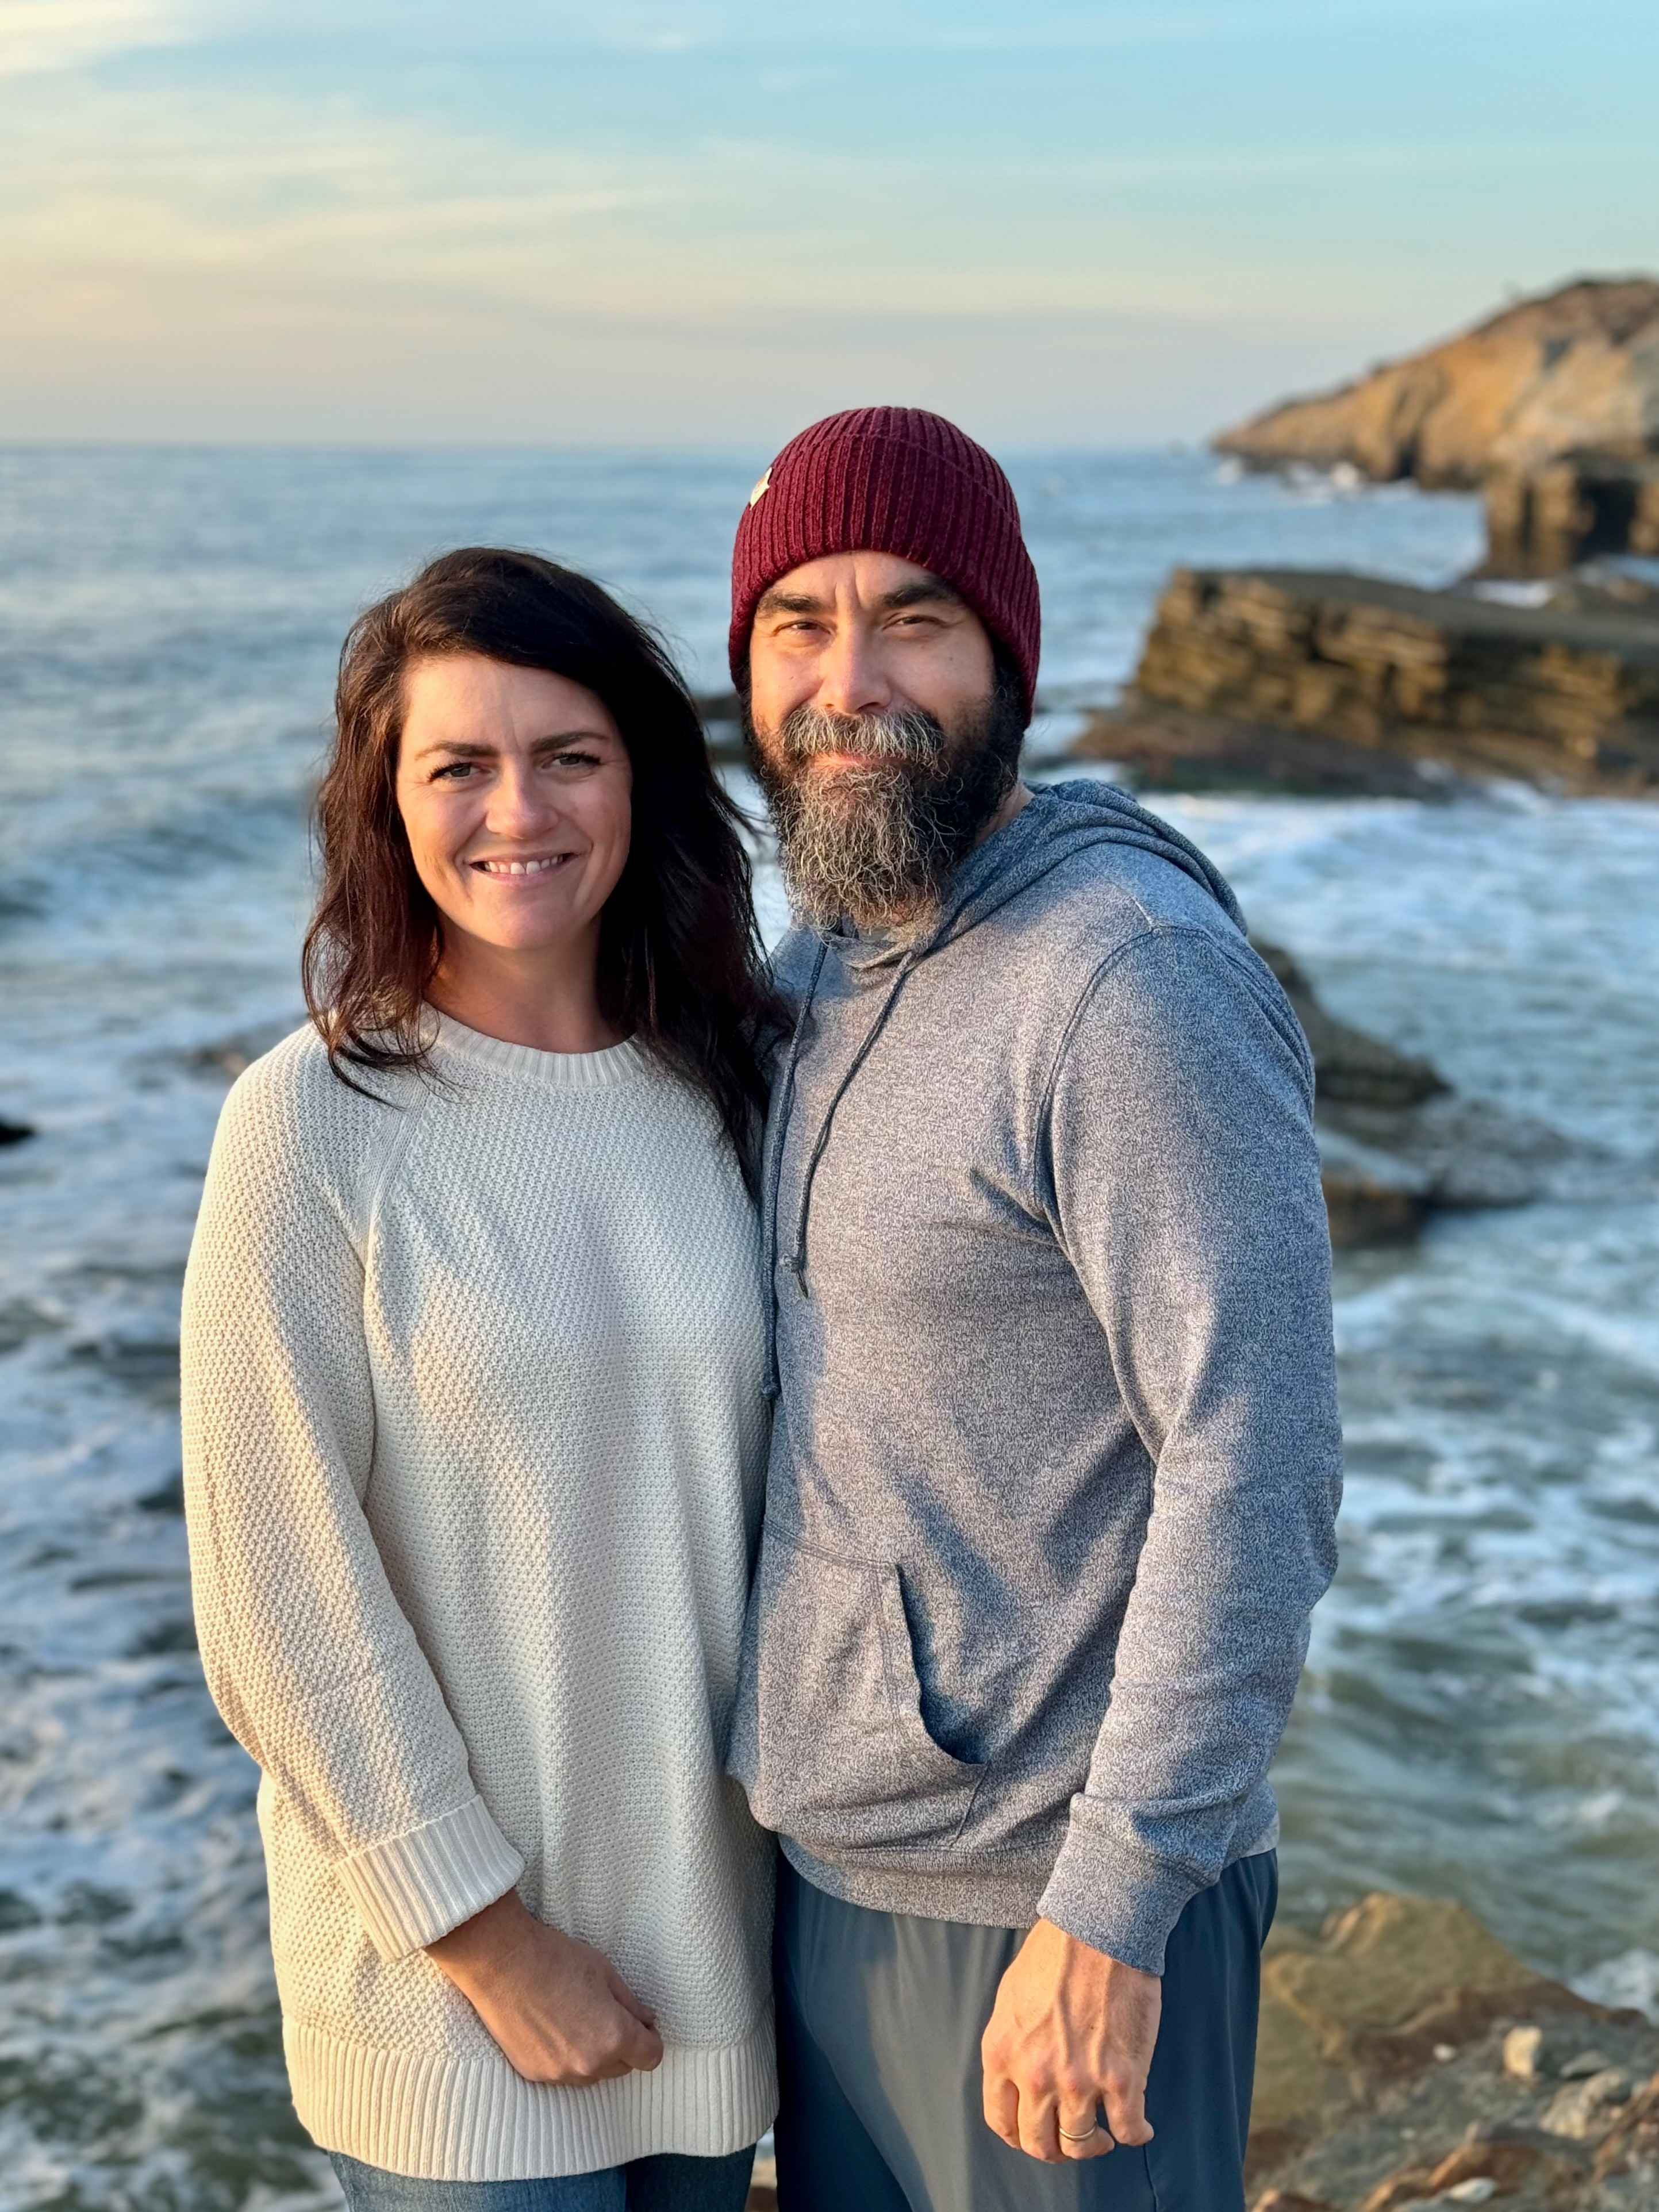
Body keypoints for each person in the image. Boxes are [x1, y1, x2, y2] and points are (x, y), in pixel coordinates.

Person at [724, 408, 1344, 2210]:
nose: (853, 683)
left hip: (1042, 1909)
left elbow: (1261, 1458)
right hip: (849, 1872)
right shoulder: (828, 949)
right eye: (799, 628)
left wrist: (1115, 1912)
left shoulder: (1123, 985)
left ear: (1008, 652)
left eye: (914, 620)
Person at [181, 550, 781, 2211]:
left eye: (568, 755)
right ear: (388, 802)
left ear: (640, 777)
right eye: (459, 765)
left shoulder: (734, 1089)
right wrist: (489, 1938)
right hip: (455, 2000)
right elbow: (276, 1593)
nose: (517, 807)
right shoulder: (308, 1127)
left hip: (713, 1959)